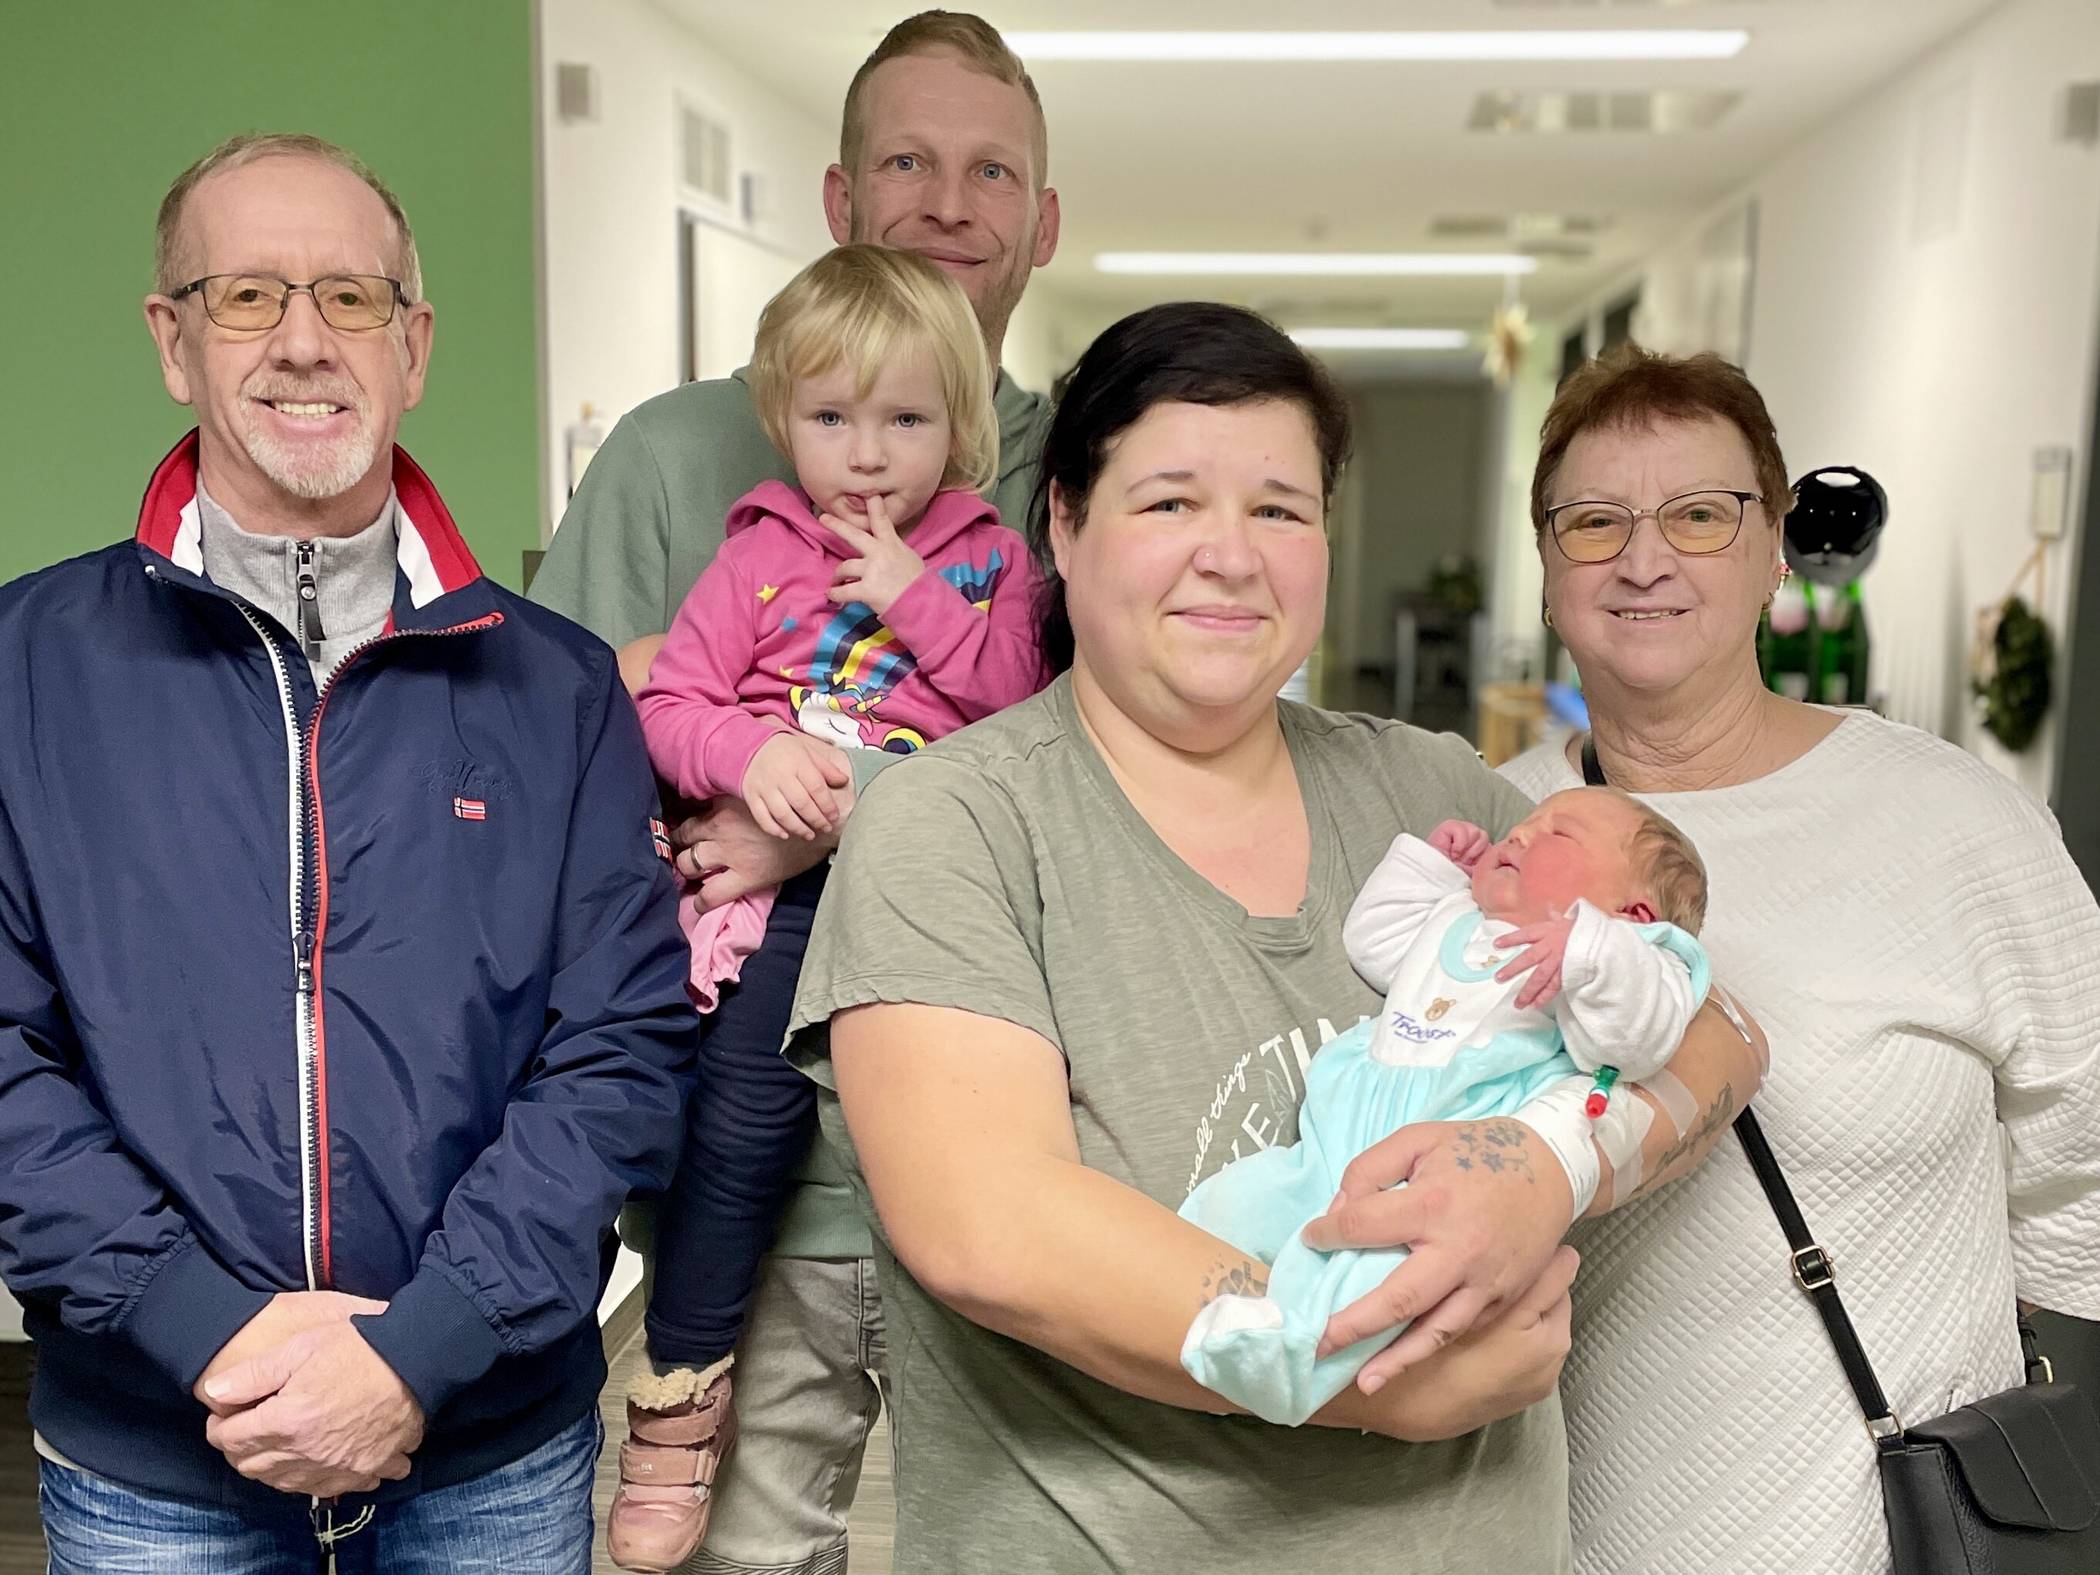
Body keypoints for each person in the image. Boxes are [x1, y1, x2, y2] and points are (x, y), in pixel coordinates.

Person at [783, 301, 1767, 1572]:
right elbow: (989, 1229)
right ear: (1066, 528)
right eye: (1171, 503)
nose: (1231, 557)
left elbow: (1721, 1028)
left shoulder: (1437, 799)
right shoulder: (956, 824)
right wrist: (1354, 1374)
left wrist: (1559, 1171)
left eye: (1280, 509)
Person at [0, 133, 698, 1572]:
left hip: (490, 1452)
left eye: (352, 298)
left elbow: (619, 1049)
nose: (304, 342)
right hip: (157, 1464)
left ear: (416, 344)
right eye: (247, 296)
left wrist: (418, 1349)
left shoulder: (557, 687)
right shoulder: (24, 668)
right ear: (172, 341)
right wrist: (208, 1328)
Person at [531, 16, 1062, 1572]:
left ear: (1044, 225)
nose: (950, 203)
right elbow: (556, 763)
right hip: (756, 1181)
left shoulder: (1086, 466)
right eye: (909, 160)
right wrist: (689, 740)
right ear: (840, 198)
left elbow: (1104, 773)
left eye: (992, 172)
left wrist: (819, 814)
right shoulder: (676, 455)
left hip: (1036, 1154)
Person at [1500, 343, 2100, 1574]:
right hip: (1567, 1536)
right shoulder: (1493, 836)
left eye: (1702, 516)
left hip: (1898, 1536)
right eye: (1595, 520)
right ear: (1550, 562)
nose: (1645, 558)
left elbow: (2082, 1153)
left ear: (1777, 546)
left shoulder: (1954, 822)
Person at [1179, 789, 1710, 1427]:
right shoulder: (1459, 917)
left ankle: (1290, 1364)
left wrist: (1595, 951)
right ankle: (1212, 1307)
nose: (1518, 836)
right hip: (1340, 1131)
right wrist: (1434, 868)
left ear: (1632, 913)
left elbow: (1638, 1042)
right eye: (1520, 825)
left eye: (1557, 836)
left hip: (1446, 1159)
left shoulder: (1626, 968)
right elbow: (1374, 942)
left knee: (1382, 1269)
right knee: (1241, 1199)